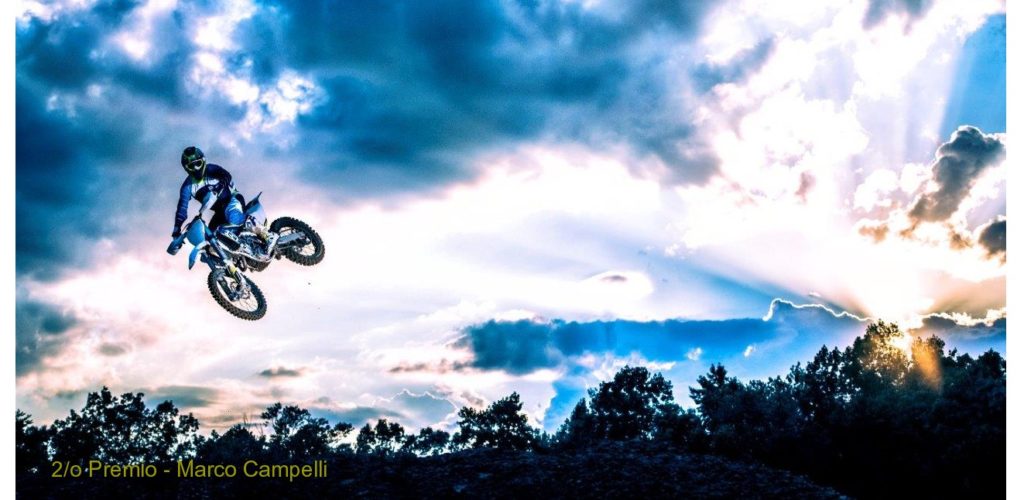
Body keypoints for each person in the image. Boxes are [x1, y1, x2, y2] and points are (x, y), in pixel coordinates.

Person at [172, 146, 245, 238]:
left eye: (198, 163)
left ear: (203, 161)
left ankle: (264, 234)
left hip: (232, 200)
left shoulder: (211, 169)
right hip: (219, 212)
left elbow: (227, 175)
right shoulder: (187, 187)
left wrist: (219, 188)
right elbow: (181, 210)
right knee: (210, 238)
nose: (196, 168)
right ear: (186, 168)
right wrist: (176, 229)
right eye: (191, 166)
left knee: (234, 220)